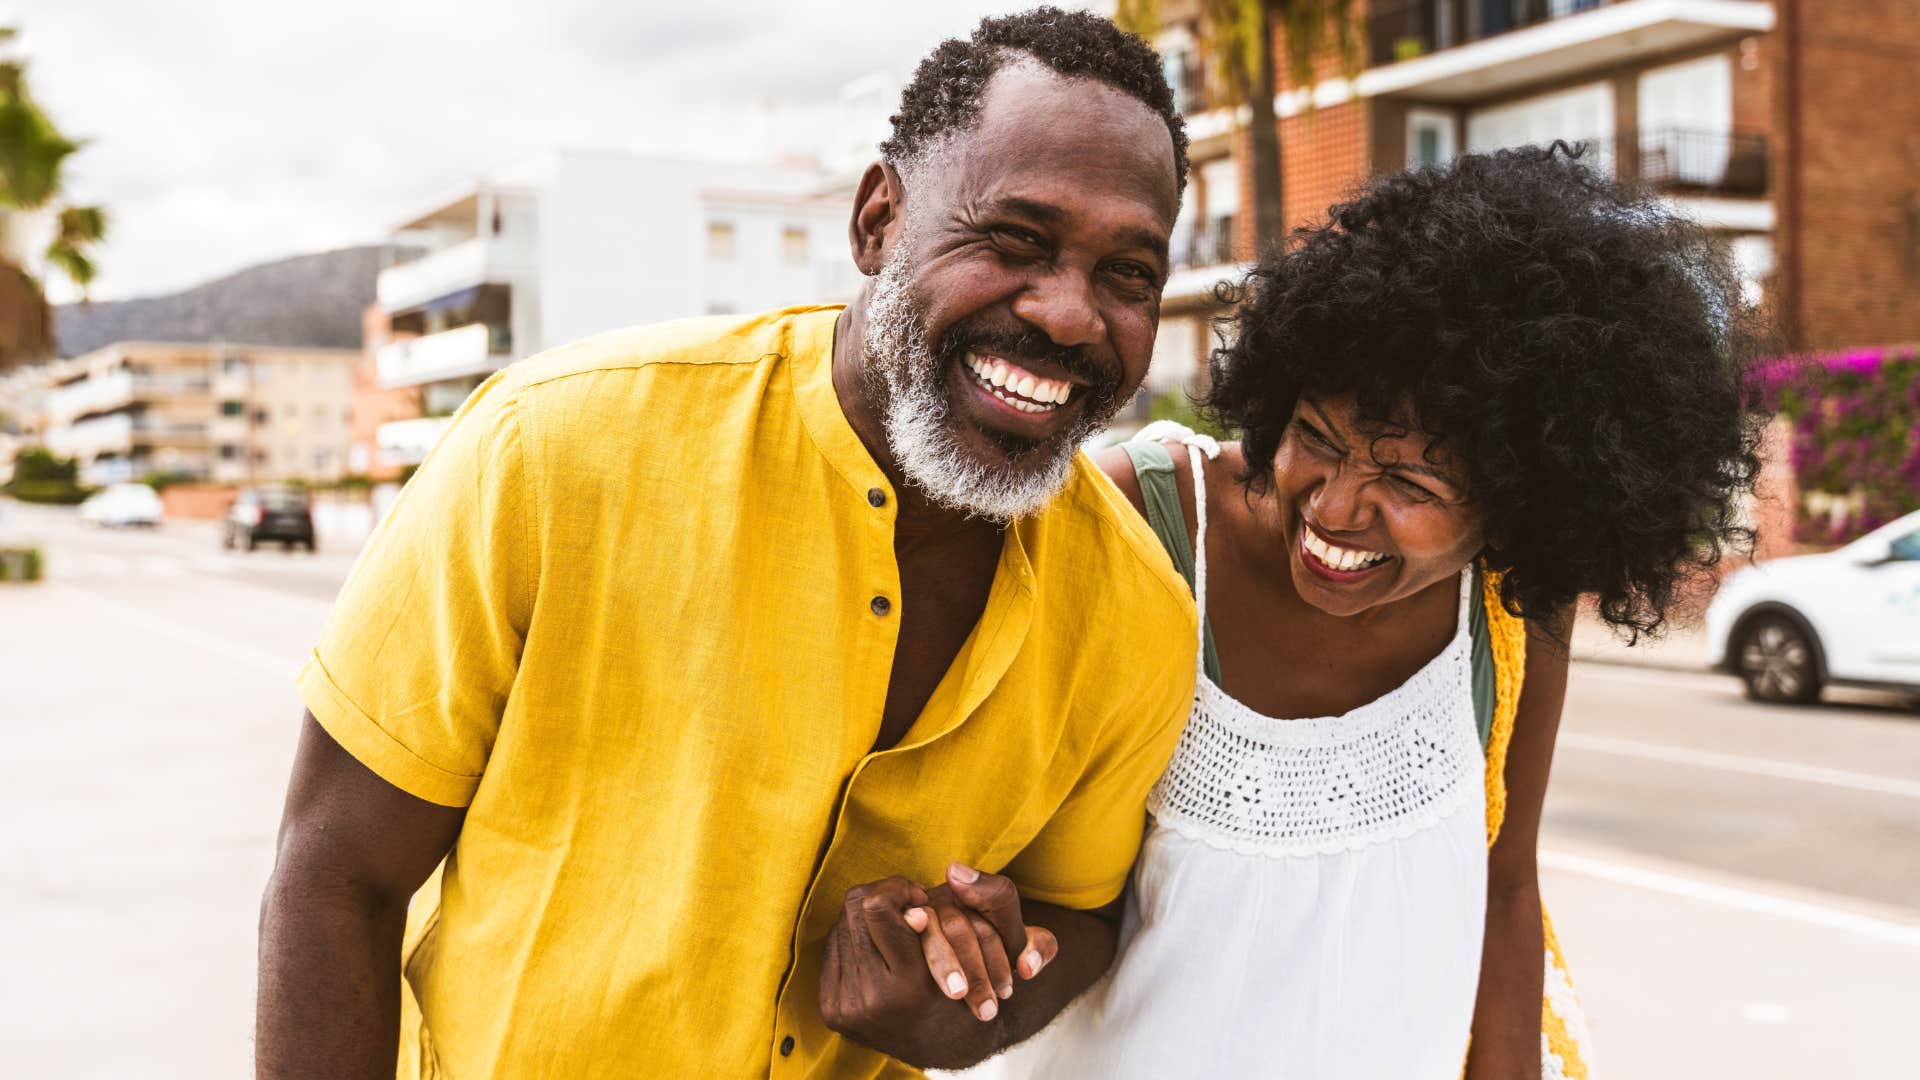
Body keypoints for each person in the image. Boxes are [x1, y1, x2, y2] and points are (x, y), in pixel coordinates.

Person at [255, 10, 1204, 1078]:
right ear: (879, 220)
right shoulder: (554, 449)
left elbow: (1076, 914)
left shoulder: (1137, 617)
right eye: (1016, 240)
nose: (1072, 315)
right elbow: (336, 879)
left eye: (1129, 273)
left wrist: (975, 1003)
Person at [949, 145, 1762, 1078]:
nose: (1334, 511)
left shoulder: (1511, 610)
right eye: (1316, 440)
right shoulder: (1145, 520)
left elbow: (1505, 887)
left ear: (1521, 500)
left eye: (1408, 481)